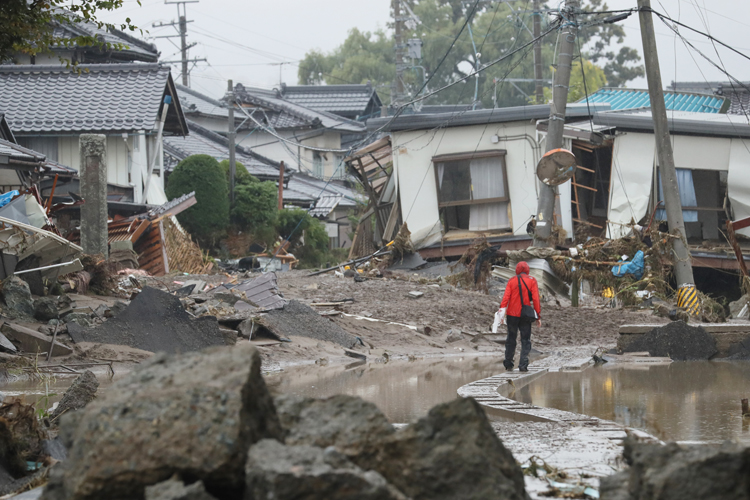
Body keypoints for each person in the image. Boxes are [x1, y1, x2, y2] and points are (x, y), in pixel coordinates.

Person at [499, 261, 541, 372]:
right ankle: (523, 365)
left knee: (511, 339)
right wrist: (538, 316)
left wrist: (501, 314)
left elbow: (505, 298)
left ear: (516, 270)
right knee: (525, 340)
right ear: (527, 270)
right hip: (525, 315)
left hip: (512, 314)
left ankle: (508, 364)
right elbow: (536, 299)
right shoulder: (532, 280)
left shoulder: (511, 281)